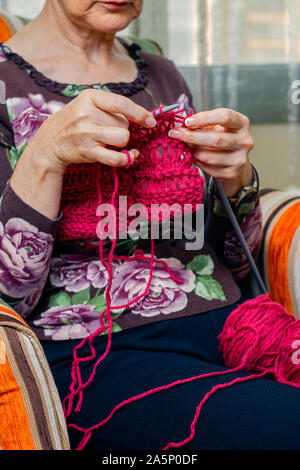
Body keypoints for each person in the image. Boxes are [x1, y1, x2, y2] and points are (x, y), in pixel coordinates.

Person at [0, 0, 299, 451]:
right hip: (100, 356)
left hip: (233, 328)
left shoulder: (163, 73)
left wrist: (237, 179)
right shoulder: (6, 86)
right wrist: (43, 158)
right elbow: (9, 299)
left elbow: (238, 262)